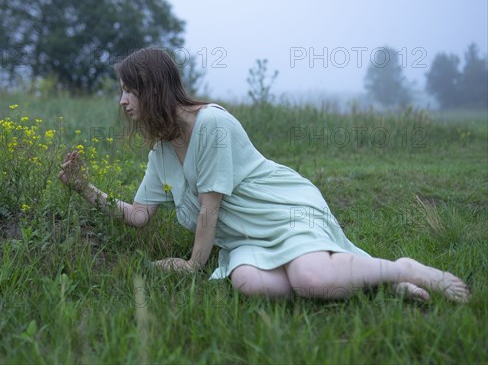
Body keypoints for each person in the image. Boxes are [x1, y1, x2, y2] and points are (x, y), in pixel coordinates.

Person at [58, 47, 470, 303]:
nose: (122, 101)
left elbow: (209, 209)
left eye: (129, 90)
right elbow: (138, 217)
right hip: (244, 238)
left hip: (281, 211)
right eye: (121, 91)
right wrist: (83, 188)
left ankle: (405, 269)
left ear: (153, 89)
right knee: (254, 286)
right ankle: (370, 281)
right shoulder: (161, 152)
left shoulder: (212, 124)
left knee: (308, 279)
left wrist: (192, 265)